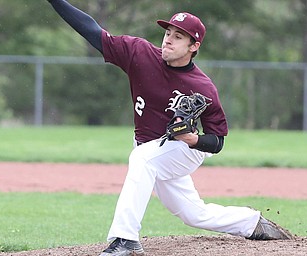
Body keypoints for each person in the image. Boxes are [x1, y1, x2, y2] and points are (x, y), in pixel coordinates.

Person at [46, 1, 293, 255]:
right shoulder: (139, 53)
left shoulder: (203, 87)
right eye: (167, 34)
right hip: (152, 148)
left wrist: (192, 139)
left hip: (184, 149)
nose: (168, 40)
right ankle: (252, 223)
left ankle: (126, 239)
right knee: (193, 213)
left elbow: (217, 141)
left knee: (142, 159)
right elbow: (92, 30)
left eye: (178, 37)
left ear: (193, 46)